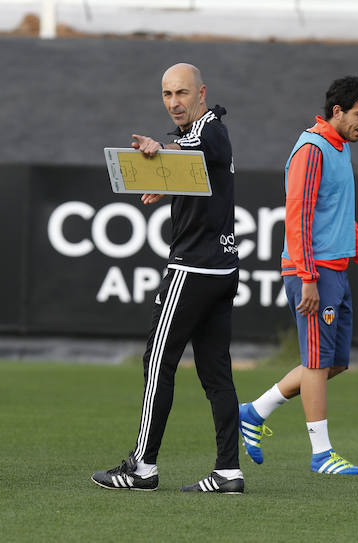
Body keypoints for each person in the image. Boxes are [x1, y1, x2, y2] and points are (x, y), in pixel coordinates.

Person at [92, 63, 244, 493]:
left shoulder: (208, 127)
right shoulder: (209, 133)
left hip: (192, 269)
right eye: (166, 94)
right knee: (216, 373)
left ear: (201, 93)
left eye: (181, 93)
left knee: (157, 362)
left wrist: (160, 152)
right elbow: (197, 163)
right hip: (222, 268)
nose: (174, 102)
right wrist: (170, 177)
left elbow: (189, 147)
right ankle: (229, 472)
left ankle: (142, 467)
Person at [238, 76, 358, 475]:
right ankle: (322, 455)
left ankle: (254, 411)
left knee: (334, 363)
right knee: (317, 364)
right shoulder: (312, 150)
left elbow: (340, 214)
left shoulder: (340, 148)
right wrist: (306, 276)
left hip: (336, 270)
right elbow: (297, 218)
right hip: (313, 273)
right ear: (338, 112)